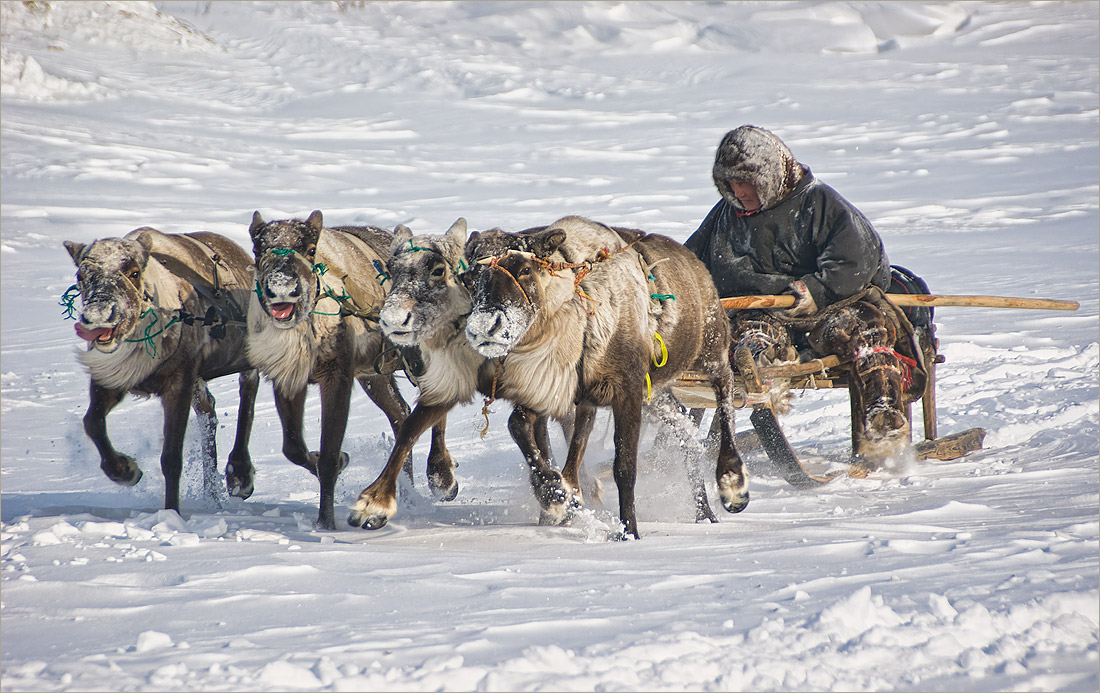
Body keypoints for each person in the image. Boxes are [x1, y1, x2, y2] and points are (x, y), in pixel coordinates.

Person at [685, 124, 925, 463]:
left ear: (767, 175)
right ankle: (764, 363)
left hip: (828, 308)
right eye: (731, 185)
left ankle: (883, 410)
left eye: (746, 183)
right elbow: (690, 262)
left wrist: (816, 290)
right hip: (762, 311)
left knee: (866, 328)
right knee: (749, 332)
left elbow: (859, 256)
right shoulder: (725, 216)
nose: (739, 193)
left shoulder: (819, 202)